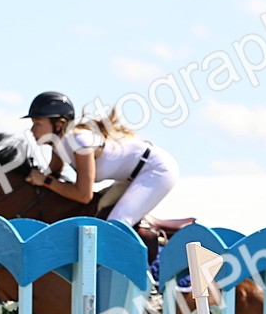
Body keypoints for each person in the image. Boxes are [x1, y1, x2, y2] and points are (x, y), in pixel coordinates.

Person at [23, 91, 180, 228]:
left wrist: (44, 180)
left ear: (58, 125)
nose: (32, 129)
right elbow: (51, 176)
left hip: (156, 170)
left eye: (38, 124)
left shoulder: (79, 141)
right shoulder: (59, 144)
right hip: (133, 175)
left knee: (116, 223)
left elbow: (84, 195)